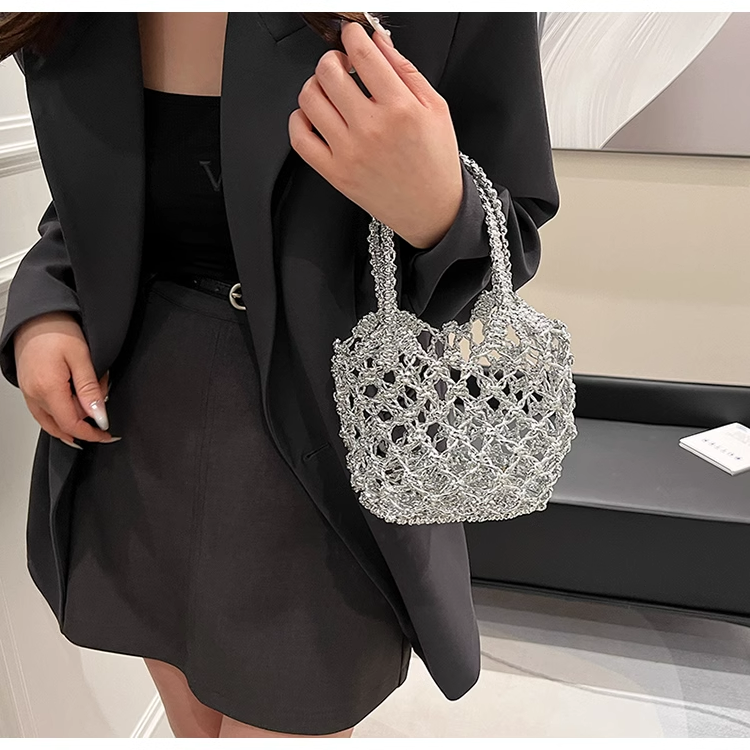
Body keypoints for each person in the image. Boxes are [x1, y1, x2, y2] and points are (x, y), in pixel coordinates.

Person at [0, 11, 559, 739]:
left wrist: (437, 210)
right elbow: (100, 198)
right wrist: (43, 307)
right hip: (137, 437)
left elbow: (510, 229)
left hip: (324, 457)